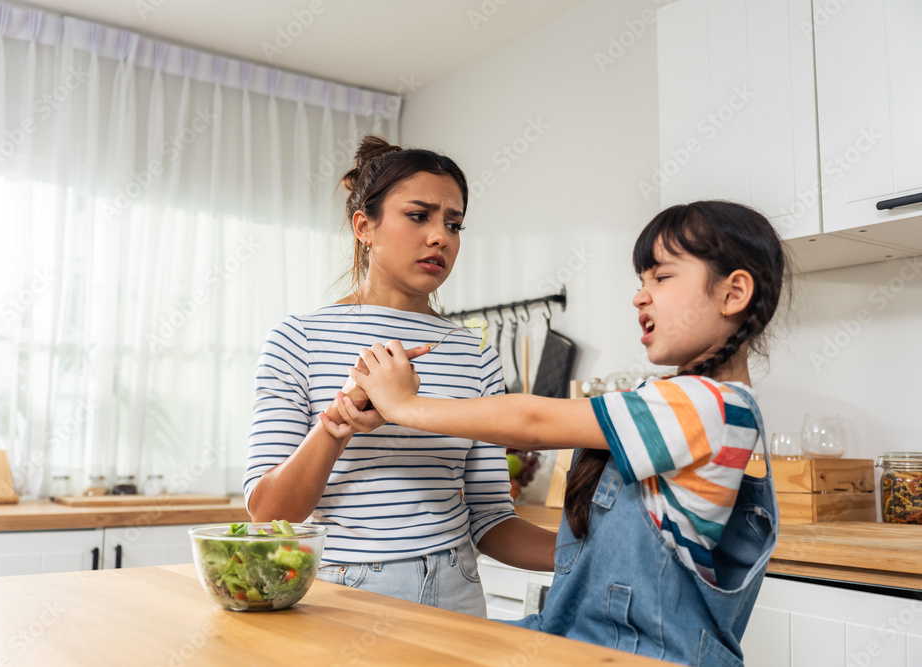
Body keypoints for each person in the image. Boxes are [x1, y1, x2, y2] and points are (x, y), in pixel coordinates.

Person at [332, 201, 790, 666]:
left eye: (662, 277)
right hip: (583, 642)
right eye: (640, 282)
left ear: (734, 293)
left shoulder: (711, 405)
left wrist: (405, 405)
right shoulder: (675, 401)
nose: (639, 296)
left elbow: (533, 423)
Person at [244, 136, 556, 617]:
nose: (441, 237)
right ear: (364, 226)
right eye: (419, 216)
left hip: (458, 587)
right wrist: (337, 422)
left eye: (454, 224)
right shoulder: (299, 339)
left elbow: (492, 518)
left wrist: (591, 553)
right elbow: (269, 514)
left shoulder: (475, 352)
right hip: (345, 594)